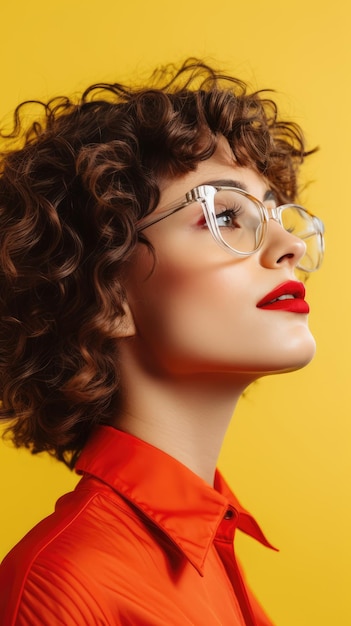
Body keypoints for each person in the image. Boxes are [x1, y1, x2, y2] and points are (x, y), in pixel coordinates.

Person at [0, 58, 324, 626]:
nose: (286, 245)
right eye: (225, 215)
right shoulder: (63, 588)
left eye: (277, 213)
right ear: (108, 297)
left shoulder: (214, 554)